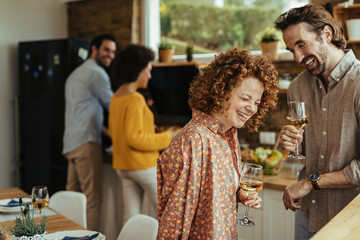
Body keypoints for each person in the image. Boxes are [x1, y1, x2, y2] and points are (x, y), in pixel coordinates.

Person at [157, 49, 279, 239]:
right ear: (220, 91)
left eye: (257, 102)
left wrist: (239, 194)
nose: (252, 108)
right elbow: (173, 223)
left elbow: (212, 194)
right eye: (245, 98)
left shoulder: (228, 135)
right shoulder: (194, 140)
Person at [275, 4, 360, 239]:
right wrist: (294, 143)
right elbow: (306, 150)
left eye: (302, 44)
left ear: (327, 34)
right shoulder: (298, 88)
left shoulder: (358, 84)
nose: (298, 57)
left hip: (350, 217)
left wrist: (310, 183)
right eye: (291, 49)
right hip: (308, 212)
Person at [108, 44, 174, 225]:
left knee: (131, 219)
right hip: (143, 166)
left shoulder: (116, 97)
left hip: (123, 166)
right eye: (148, 70)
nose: (150, 76)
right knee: (169, 215)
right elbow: (135, 138)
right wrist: (170, 137)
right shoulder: (135, 98)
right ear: (137, 71)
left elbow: (117, 132)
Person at [62, 33, 117, 231]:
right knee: (92, 200)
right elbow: (115, 106)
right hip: (86, 143)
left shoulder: (76, 74)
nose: (110, 55)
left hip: (71, 144)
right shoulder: (97, 74)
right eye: (106, 50)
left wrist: (107, 131)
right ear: (94, 49)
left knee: (72, 199)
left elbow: (83, 113)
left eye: (113, 51)